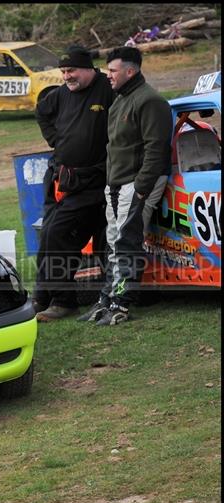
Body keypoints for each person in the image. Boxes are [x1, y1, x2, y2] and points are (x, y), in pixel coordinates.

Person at [78, 46, 172, 326]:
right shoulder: (120, 100)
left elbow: (157, 149)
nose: (108, 76)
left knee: (127, 241)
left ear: (130, 71)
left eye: (113, 71)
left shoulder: (150, 100)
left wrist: (142, 187)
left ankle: (122, 302)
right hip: (116, 183)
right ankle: (106, 299)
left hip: (137, 183)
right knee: (112, 241)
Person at [32, 46, 115, 322]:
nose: (67, 76)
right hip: (62, 180)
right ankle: (43, 297)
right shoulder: (61, 94)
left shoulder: (107, 88)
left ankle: (64, 300)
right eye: (64, 71)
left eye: (72, 71)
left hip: (94, 181)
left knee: (58, 235)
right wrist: (56, 140)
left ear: (89, 68)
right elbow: (41, 112)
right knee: (47, 238)